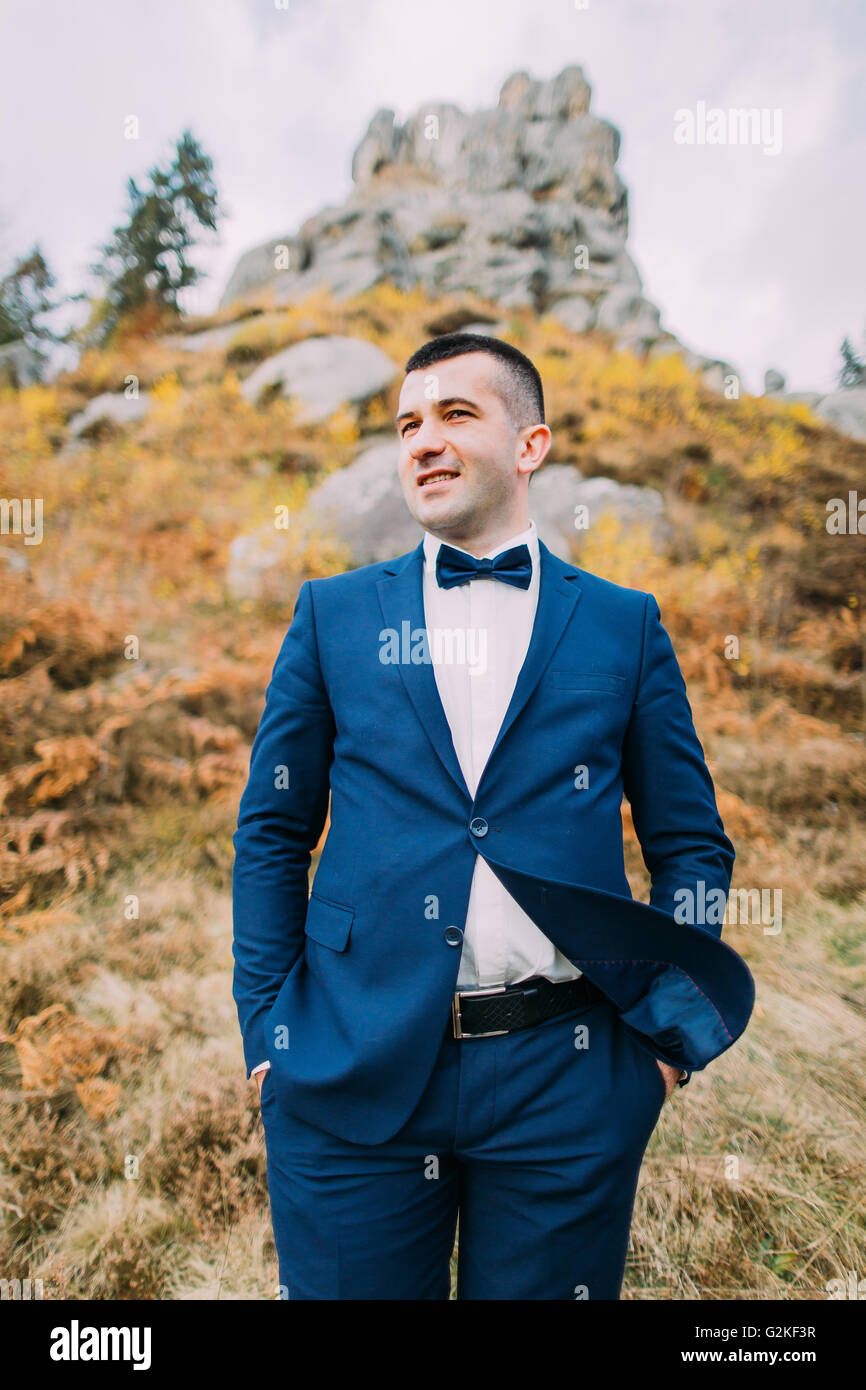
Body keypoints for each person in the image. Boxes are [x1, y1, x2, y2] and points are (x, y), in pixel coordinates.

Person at [232, 332, 754, 1300]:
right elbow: (271, 830)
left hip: (569, 1077)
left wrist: (662, 1046)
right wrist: (267, 1034)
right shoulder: (331, 614)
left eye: (455, 414)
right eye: (406, 423)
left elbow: (688, 842)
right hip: (351, 1065)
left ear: (529, 444)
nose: (422, 440)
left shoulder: (621, 622)